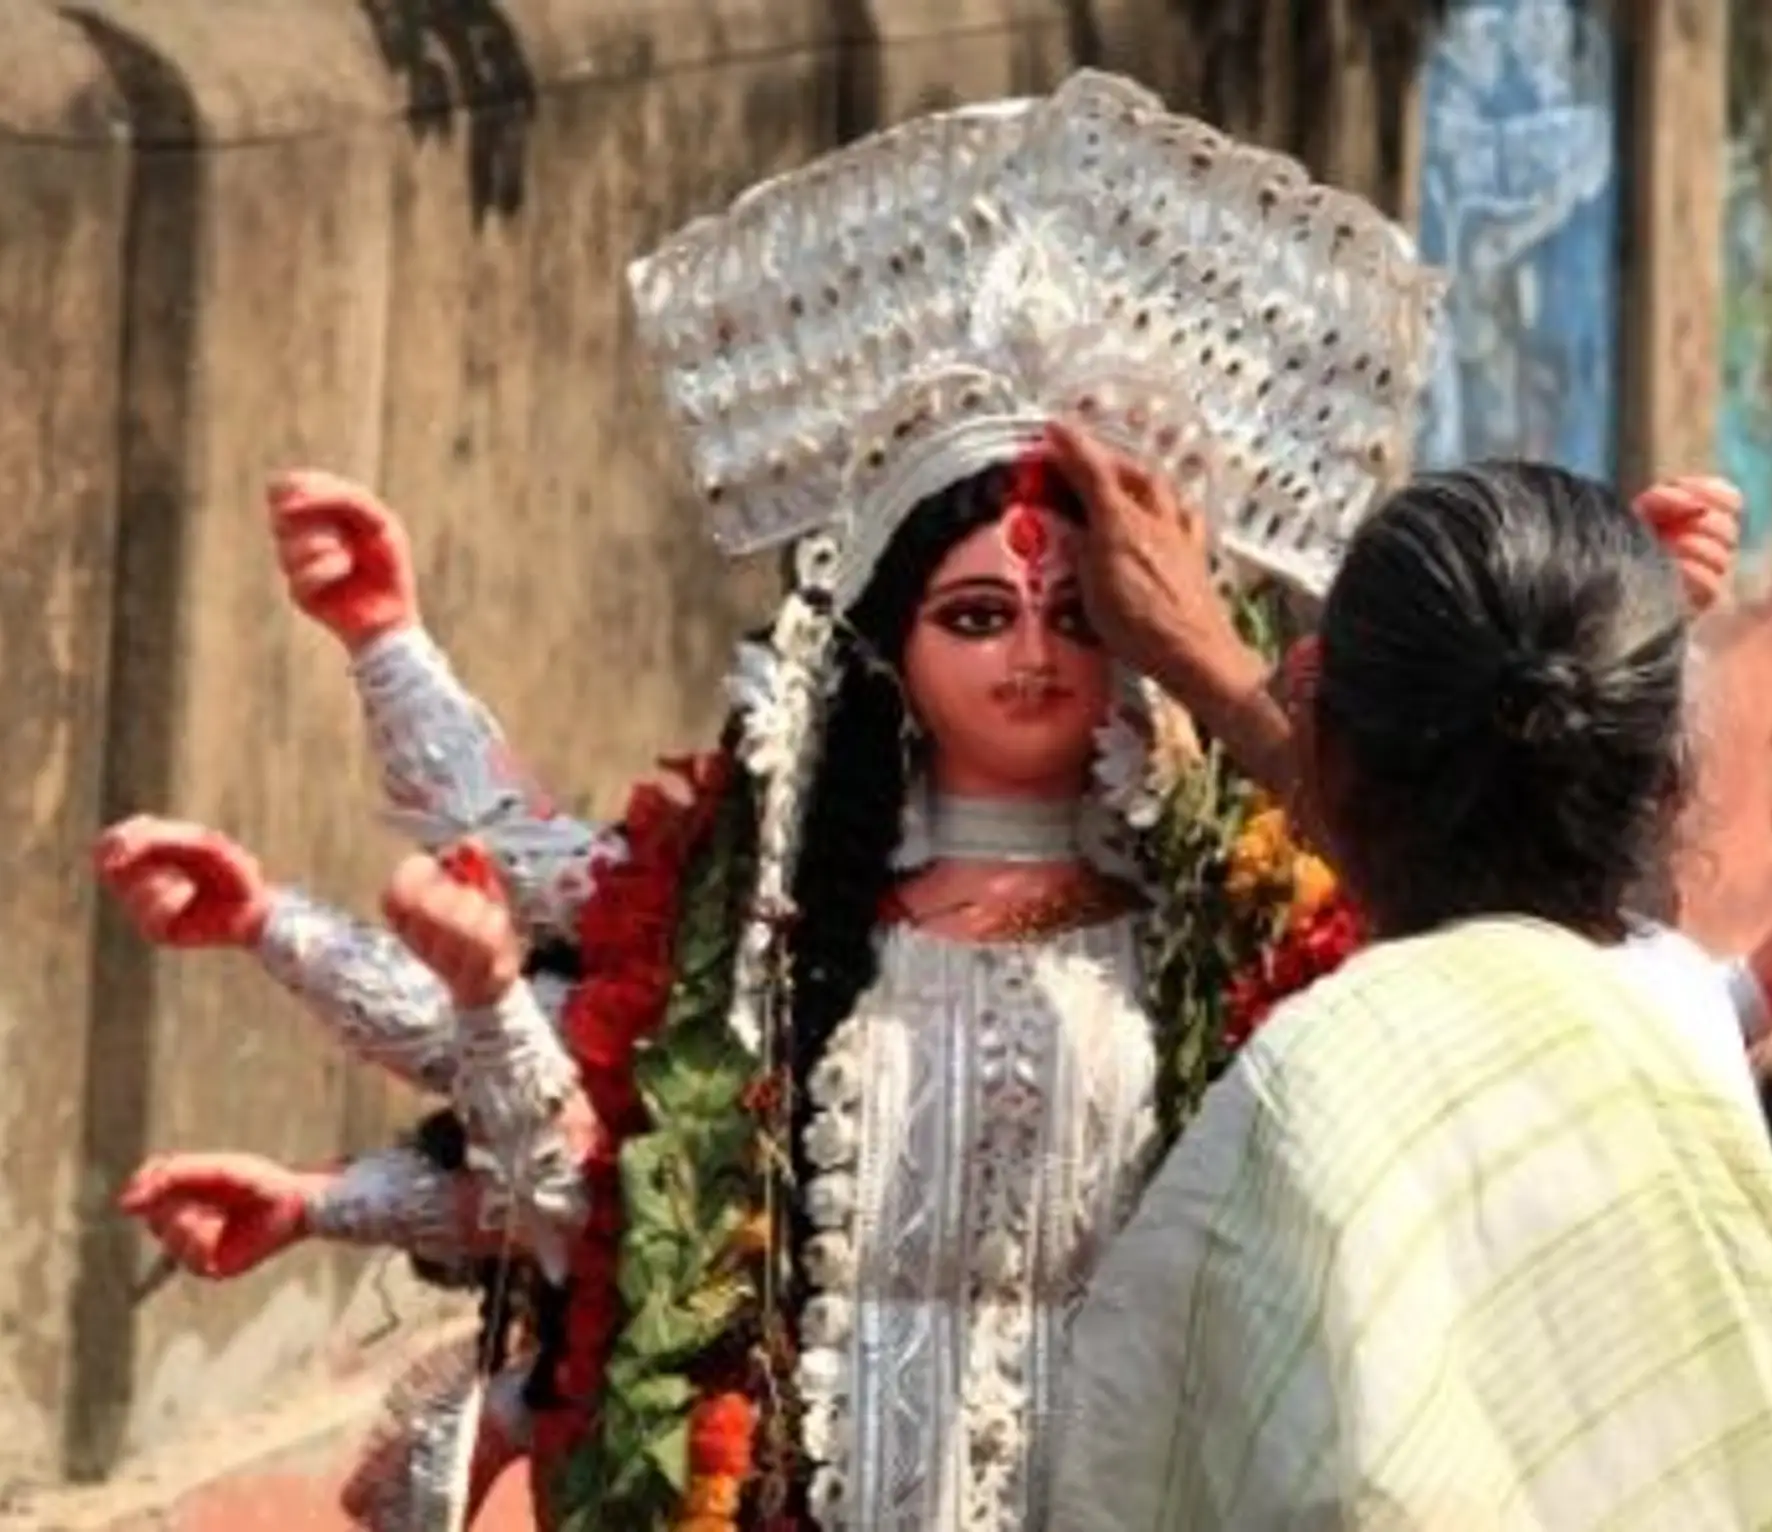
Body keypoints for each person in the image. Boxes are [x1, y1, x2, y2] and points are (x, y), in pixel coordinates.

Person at [93, 72, 1452, 1532]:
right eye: (979, 615)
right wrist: (379, 659)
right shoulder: (762, 925)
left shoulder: (1237, 941)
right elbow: (577, 1131)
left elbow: (1477, 940)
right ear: (890, 648)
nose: (1037, 656)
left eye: (1082, 615)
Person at [1047, 461, 1772, 1531]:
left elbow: (1140, 1464)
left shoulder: (1319, 1080)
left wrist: (1214, 664)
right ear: (1664, 773)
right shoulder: (1672, 1012)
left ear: (1316, 704)